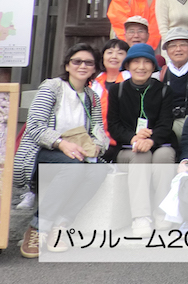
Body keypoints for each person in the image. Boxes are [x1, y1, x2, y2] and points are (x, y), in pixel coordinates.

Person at [15, 44, 109, 258]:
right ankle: (37, 227)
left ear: (95, 68)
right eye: (77, 61)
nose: (82, 66)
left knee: (99, 170)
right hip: (42, 151)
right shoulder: (52, 87)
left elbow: (99, 131)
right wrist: (61, 143)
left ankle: (60, 225)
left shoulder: (92, 97)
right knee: (73, 166)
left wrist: (97, 146)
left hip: (76, 152)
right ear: (67, 65)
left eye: (89, 63)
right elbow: (35, 126)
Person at [107, 43, 176, 235]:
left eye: (147, 62)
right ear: (128, 65)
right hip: (128, 149)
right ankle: (141, 216)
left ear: (153, 66)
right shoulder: (117, 90)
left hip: (158, 144)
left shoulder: (164, 90)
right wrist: (133, 138)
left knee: (164, 155)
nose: (141, 67)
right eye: (136, 62)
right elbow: (113, 125)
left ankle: (162, 212)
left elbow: (165, 124)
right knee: (140, 155)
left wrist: (151, 140)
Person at [91, 39, 129, 146]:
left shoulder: (130, 81)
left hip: (123, 139)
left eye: (120, 53)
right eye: (110, 52)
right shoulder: (93, 83)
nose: (114, 56)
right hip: (96, 140)